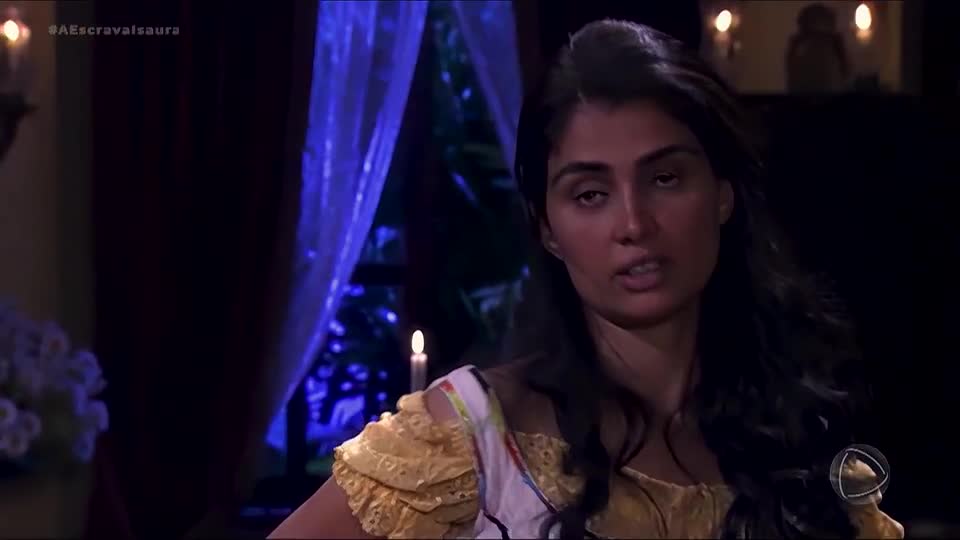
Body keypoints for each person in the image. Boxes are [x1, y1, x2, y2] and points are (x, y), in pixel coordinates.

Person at [269, 19, 903, 539]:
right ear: (548, 228)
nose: (634, 224)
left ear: (722, 194)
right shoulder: (469, 439)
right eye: (591, 194)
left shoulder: (799, 445)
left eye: (665, 179)